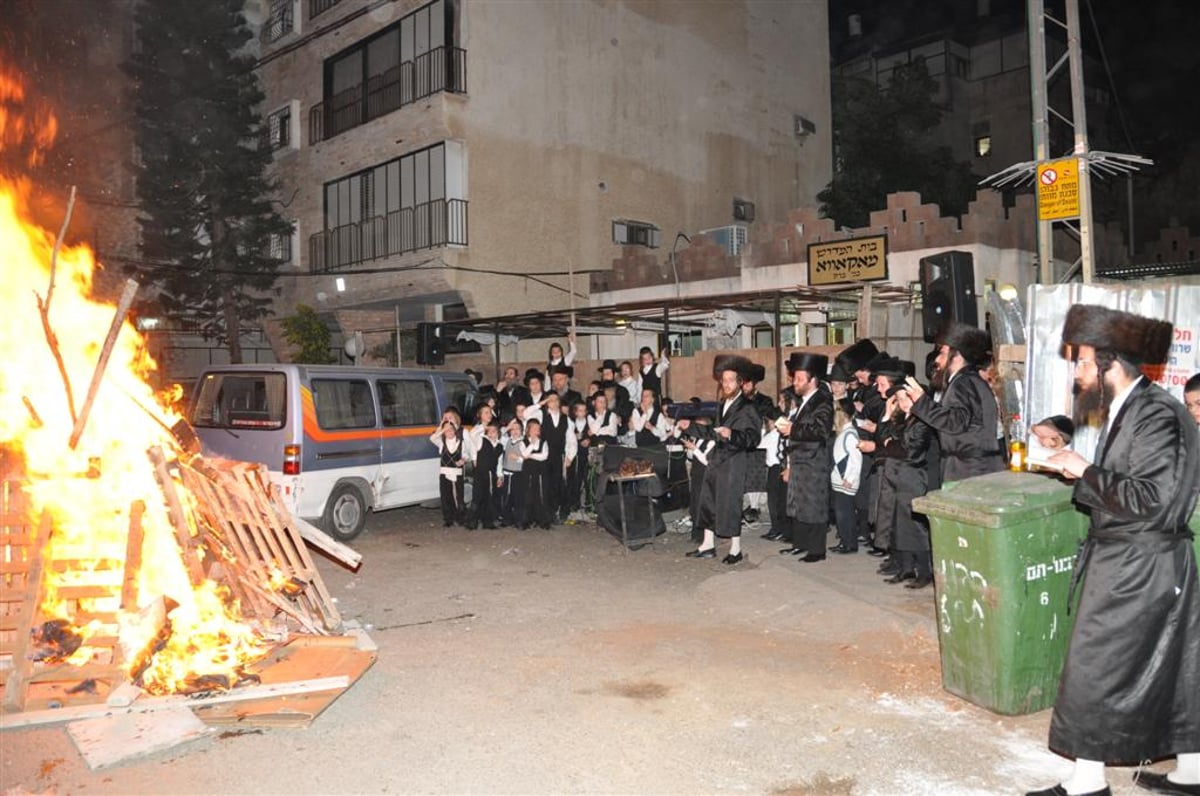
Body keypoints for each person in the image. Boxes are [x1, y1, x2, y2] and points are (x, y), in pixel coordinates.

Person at [1025, 304, 1200, 796]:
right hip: (1140, 559)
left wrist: (1083, 470)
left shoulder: (1156, 414)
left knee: (1095, 665)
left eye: (1081, 361)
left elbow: (1153, 500)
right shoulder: (1134, 409)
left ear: (1109, 364)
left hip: (1138, 562)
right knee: (1176, 664)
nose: (1076, 372)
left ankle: (1086, 781)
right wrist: (1080, 469)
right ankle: (1192, 771)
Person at [676, 355, 762, 564]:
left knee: (730, 504)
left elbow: (753, 438)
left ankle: (736, 549)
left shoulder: (747, 407)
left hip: (733, 462)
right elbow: (713, 432)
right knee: (709, 501)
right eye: (723, 380)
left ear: (740, 382)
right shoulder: (722, 404)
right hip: (716, 460)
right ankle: (707, 545)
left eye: (730, 380)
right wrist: (691, 427)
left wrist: (731, 433)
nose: (726, 384)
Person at [903, 322, 1005, 483]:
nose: (937, 359)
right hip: (978, 466)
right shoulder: (973, 380)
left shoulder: (962, 383)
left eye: (942, 353)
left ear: (956, 355)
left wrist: (921, 402)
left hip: (968, 470)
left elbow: (955, 422)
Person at [878, 359, 936, 588]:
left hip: (915, 478)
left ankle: (924, 572)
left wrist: (892, 443)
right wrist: (887, 414)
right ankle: (905, 568)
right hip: (899, 477)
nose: (902, 404)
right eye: (899, 400)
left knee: (915, 527)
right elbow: (884, 441)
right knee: (898, 525)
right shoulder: (902, 420)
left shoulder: (922, 422)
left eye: (905, 399)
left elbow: (910, 451)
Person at [776, 352, 833, 562]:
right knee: (798, 505)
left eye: (800, 379)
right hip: (800, 461)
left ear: (813, 380)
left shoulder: (822, 401)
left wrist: (794, 429)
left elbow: (821, 430)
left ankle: (817, 550)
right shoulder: (803, 401)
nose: (795, 382)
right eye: (794, 378)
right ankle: (799, 544)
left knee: (814, 506)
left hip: (814, 462)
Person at [829, 401, 862, 554]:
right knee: (840, 514)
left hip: (846, 481)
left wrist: (850, 477)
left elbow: (856, 459)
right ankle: (844, 540)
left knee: (846, 514)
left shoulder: (850, 434)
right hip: (839, 481)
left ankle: (850, 543)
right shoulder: (843, 433)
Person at [540, 392, 576, 523]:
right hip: (546, 455)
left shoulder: (566, 419)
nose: (553, 403)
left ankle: (561, 511)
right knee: (547, 484)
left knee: (560, 483)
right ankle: (549, 513)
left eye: (556, 400)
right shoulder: (541, 417)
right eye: (550, 400)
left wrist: (570, 456)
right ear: (546, 402)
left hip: (560, 455)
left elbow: (571, 440)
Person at [430, 417, 468, 527]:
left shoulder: (461, 443)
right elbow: (432, 438)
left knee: (458, 496)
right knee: (446, 496)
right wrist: (442, 427)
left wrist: (463, 460)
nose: (449, 432)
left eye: (451, 429)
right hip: (445, 472)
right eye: (447, 430)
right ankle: (448, 519)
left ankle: (460, 518)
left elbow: (466, 455)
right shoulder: (441, 443)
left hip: (457, 472)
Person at [518, 418, 552, 529]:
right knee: (528, 496)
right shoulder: (523, 442)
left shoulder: (543, 442)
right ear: (528, 429)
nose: (536, 430)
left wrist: (531, 456)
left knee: (541, 496)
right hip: (528, 472)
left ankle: (543, 520)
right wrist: (532, 445)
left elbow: (544, 456)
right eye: (533, 428)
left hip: (541, 472)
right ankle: (526, 520)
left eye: (538, 428)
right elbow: (524, 454)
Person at [469, 420, 503, 529]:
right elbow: (472, 434)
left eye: (495, 431)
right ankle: (472, 521)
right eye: (490, 431)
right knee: (477, 497)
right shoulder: (481, 441)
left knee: (489, 497)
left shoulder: (499, 446)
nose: (492, 433)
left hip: (491, 475)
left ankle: (487, 521)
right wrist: (483, 426)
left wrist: (499, 476)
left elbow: (499, 463)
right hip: (480, 473)